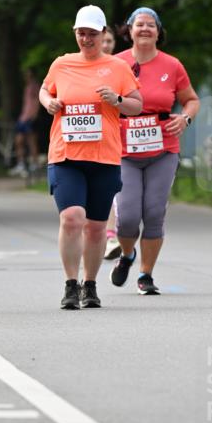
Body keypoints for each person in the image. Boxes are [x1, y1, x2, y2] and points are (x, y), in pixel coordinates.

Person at [40, 5, 142, 309]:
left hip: (104, 156)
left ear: (103, 35)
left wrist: (118, 99)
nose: (86, 39)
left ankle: (90, 283)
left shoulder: (118, 67)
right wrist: (49, 102)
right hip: (66, 154)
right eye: (81, 33)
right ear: (75, 33)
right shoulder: (62, 64)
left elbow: (137, 105)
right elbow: (46, 90)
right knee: (72, 218)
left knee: (96, 227)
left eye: (92, 34)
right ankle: (71, 284)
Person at [110, 7, 200, 295]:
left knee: (153, 212)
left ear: (159, 32)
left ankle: (145, 275)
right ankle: (127, 255)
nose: (145, 29)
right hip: (124, 150)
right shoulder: (115, 63)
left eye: (151, 25)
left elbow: (191, 100)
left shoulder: (172, 65)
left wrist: (185, 118)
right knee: (126, 215)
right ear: (129, 31)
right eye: (140, 25)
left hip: (163, 148)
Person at [98, 27, 123, 260]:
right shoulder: (81, 66)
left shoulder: (120, 67)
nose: (105, 45)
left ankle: (111, 236)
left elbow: (135, 101)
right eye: (102, 40)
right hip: (91, 139)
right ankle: (100, 236)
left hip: (117, 136)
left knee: (112, 191)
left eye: (109, 41)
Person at [10, 68, 40, 177]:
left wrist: (34, 116)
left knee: (31, 141)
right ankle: (21, 163)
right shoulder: (27, 86)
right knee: (19, 141)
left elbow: (37, 101)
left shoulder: (34, 86)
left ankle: (35, 163)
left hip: (30, 117)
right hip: (23, 117)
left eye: (28, 74)